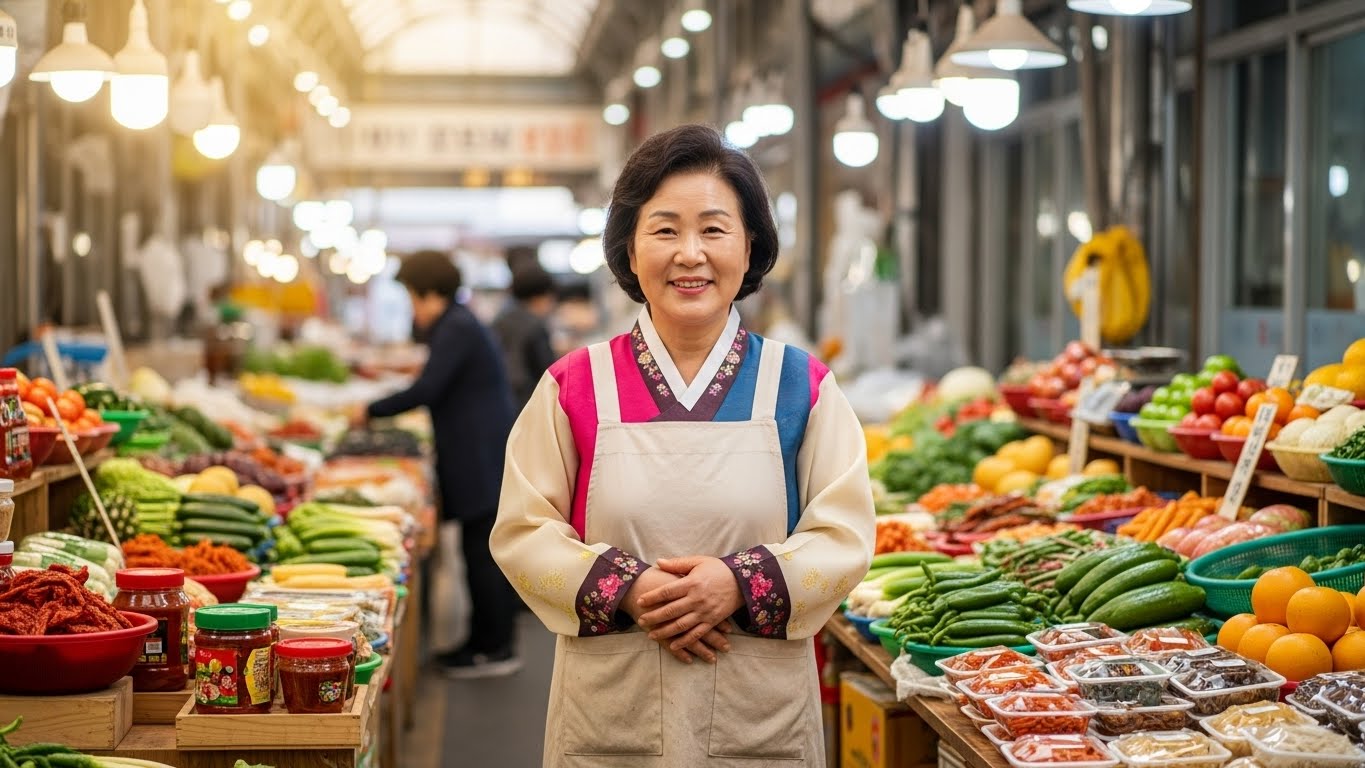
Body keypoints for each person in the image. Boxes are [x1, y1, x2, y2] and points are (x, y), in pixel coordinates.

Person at [490, 124, 875, 765]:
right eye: (665, 230)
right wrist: (632, 590)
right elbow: (523, 531)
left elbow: (846, 535)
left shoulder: (800, 387)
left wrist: (737, 584)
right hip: (614, 711)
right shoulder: (574, 386)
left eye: (715, 229)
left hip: (760, 718)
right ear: (630, 251)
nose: (690, 254)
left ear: (750, 247)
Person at [363, 250, 521, 678]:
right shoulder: (457, 323)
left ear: (430, 293)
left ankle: (495, 649)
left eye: (413, 297)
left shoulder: (456, 325)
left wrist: (371, 409)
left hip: (479, 451)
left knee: (483, 550)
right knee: (479, 548)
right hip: (479, 447)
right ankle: (482, 641)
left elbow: (428, 387)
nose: (413, 309)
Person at [491, 263, 559, 412]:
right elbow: (548, 371)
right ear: (540, 297)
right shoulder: (535, 325)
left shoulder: (498, 320)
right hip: (528, 400)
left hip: (499, 400)